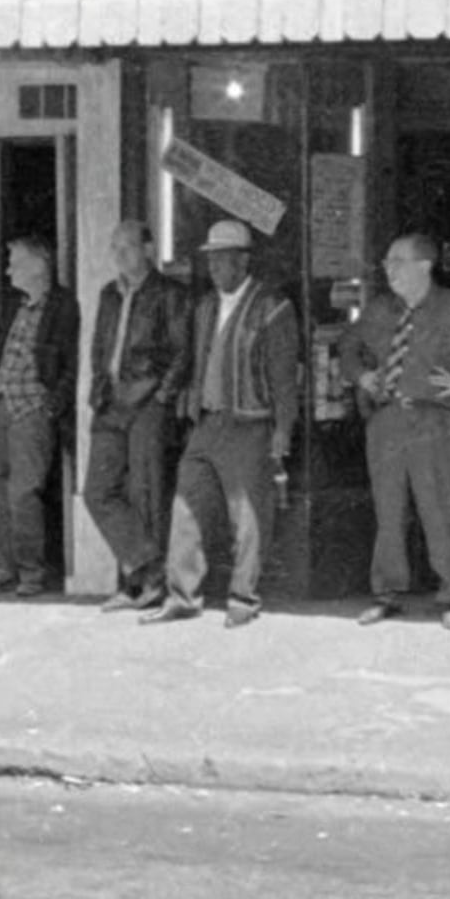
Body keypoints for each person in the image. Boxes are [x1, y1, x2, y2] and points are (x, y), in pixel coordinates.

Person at [343, 231, 450, 629]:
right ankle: (385, 594)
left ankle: (449, 597)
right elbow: (348, 346)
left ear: (425, 266)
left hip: (436, 421)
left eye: (398, 262)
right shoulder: (379, 309)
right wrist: (361, 376)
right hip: (387, 421)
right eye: (387, 263)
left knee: (441, 511)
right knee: (388, 511)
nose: (389, 270)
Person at [149, 216, 303, 629]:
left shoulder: (272, 307)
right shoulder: (205, 307)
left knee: (248, 515)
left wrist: (283, 430)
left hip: (251, 424)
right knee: (186, 506)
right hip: (207, 423)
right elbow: (195, 363)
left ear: (242, 261)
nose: (214, 269)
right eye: (211, 261)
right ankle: (182, 596)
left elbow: (284, 377)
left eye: (222, 261)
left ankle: (243, 599)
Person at [80, 217, 196, 609]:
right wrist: (98, 385)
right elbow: (99, 348)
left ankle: (140, 586)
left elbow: (183, 351)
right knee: (98, 490)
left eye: (126, 247)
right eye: (114, 248)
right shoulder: (109, 294)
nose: (118, 255)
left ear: (149, 249)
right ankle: (149, 569)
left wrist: (162, 397)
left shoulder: (169, 293)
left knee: (146, 492)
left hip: (148, 400)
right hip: (111, 400)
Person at [0, 230, 78, 596]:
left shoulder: (63, 305)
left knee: (23, 491)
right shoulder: (13, 304)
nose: (7, 271)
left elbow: (71, 362)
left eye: (15, 263)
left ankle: (31, 572)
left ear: (38, 266)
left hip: (31, 406)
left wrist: (53, 404)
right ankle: (1, 568)